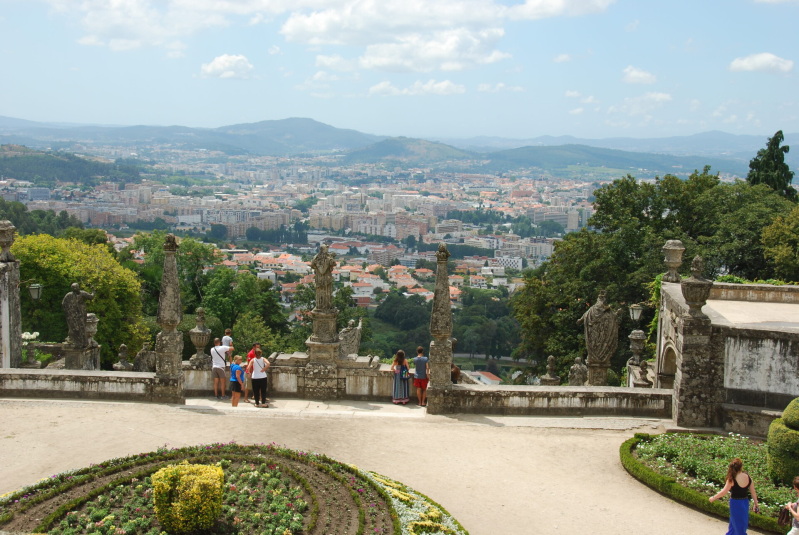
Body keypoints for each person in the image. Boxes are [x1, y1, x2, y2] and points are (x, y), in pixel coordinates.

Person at [709, 458, 760, 534]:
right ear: (741, 467)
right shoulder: (748, 477)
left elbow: (724, 492)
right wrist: (756, 504)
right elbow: (753, 492)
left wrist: (714, 497)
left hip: (735, 502)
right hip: (745, 502)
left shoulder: (732, 478)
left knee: (735, 525)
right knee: (740, 523)